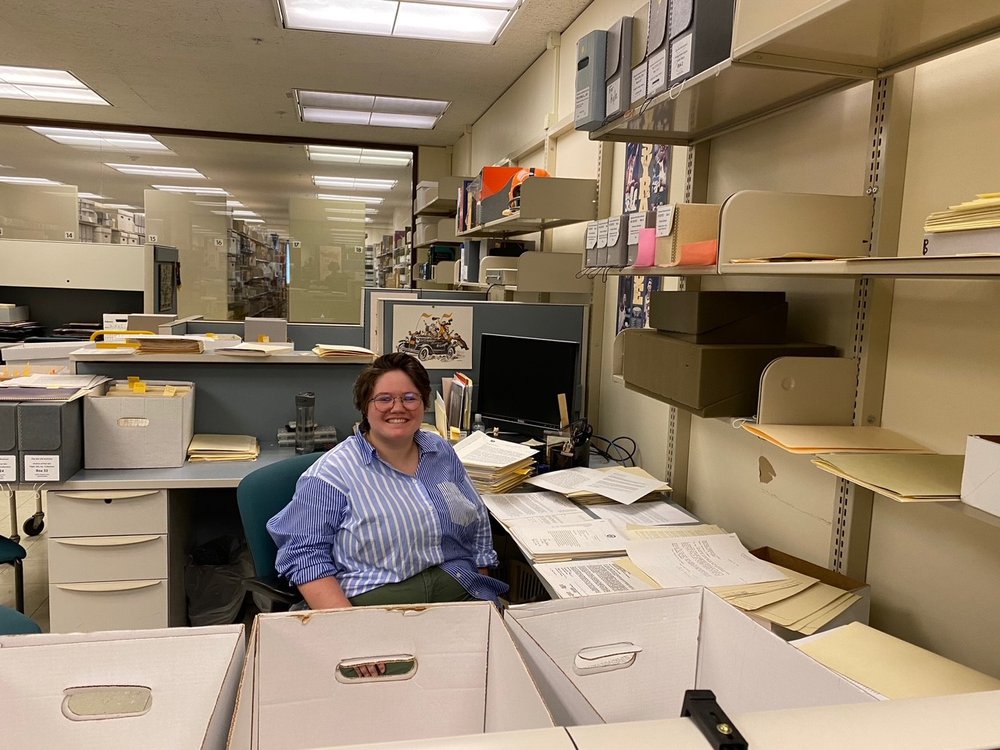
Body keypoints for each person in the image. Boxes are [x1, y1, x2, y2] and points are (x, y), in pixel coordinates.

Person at [267, 352, 509, 612]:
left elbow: (477, 521)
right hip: (375, 605)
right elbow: (303, 554)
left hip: (460, 591)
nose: (398, 407)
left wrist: (482, 596)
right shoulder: (332, 473)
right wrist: (347, 624)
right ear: (365, 406)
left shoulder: (440, 452)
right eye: (384, 399)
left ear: (423, 403)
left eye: (409, 398)